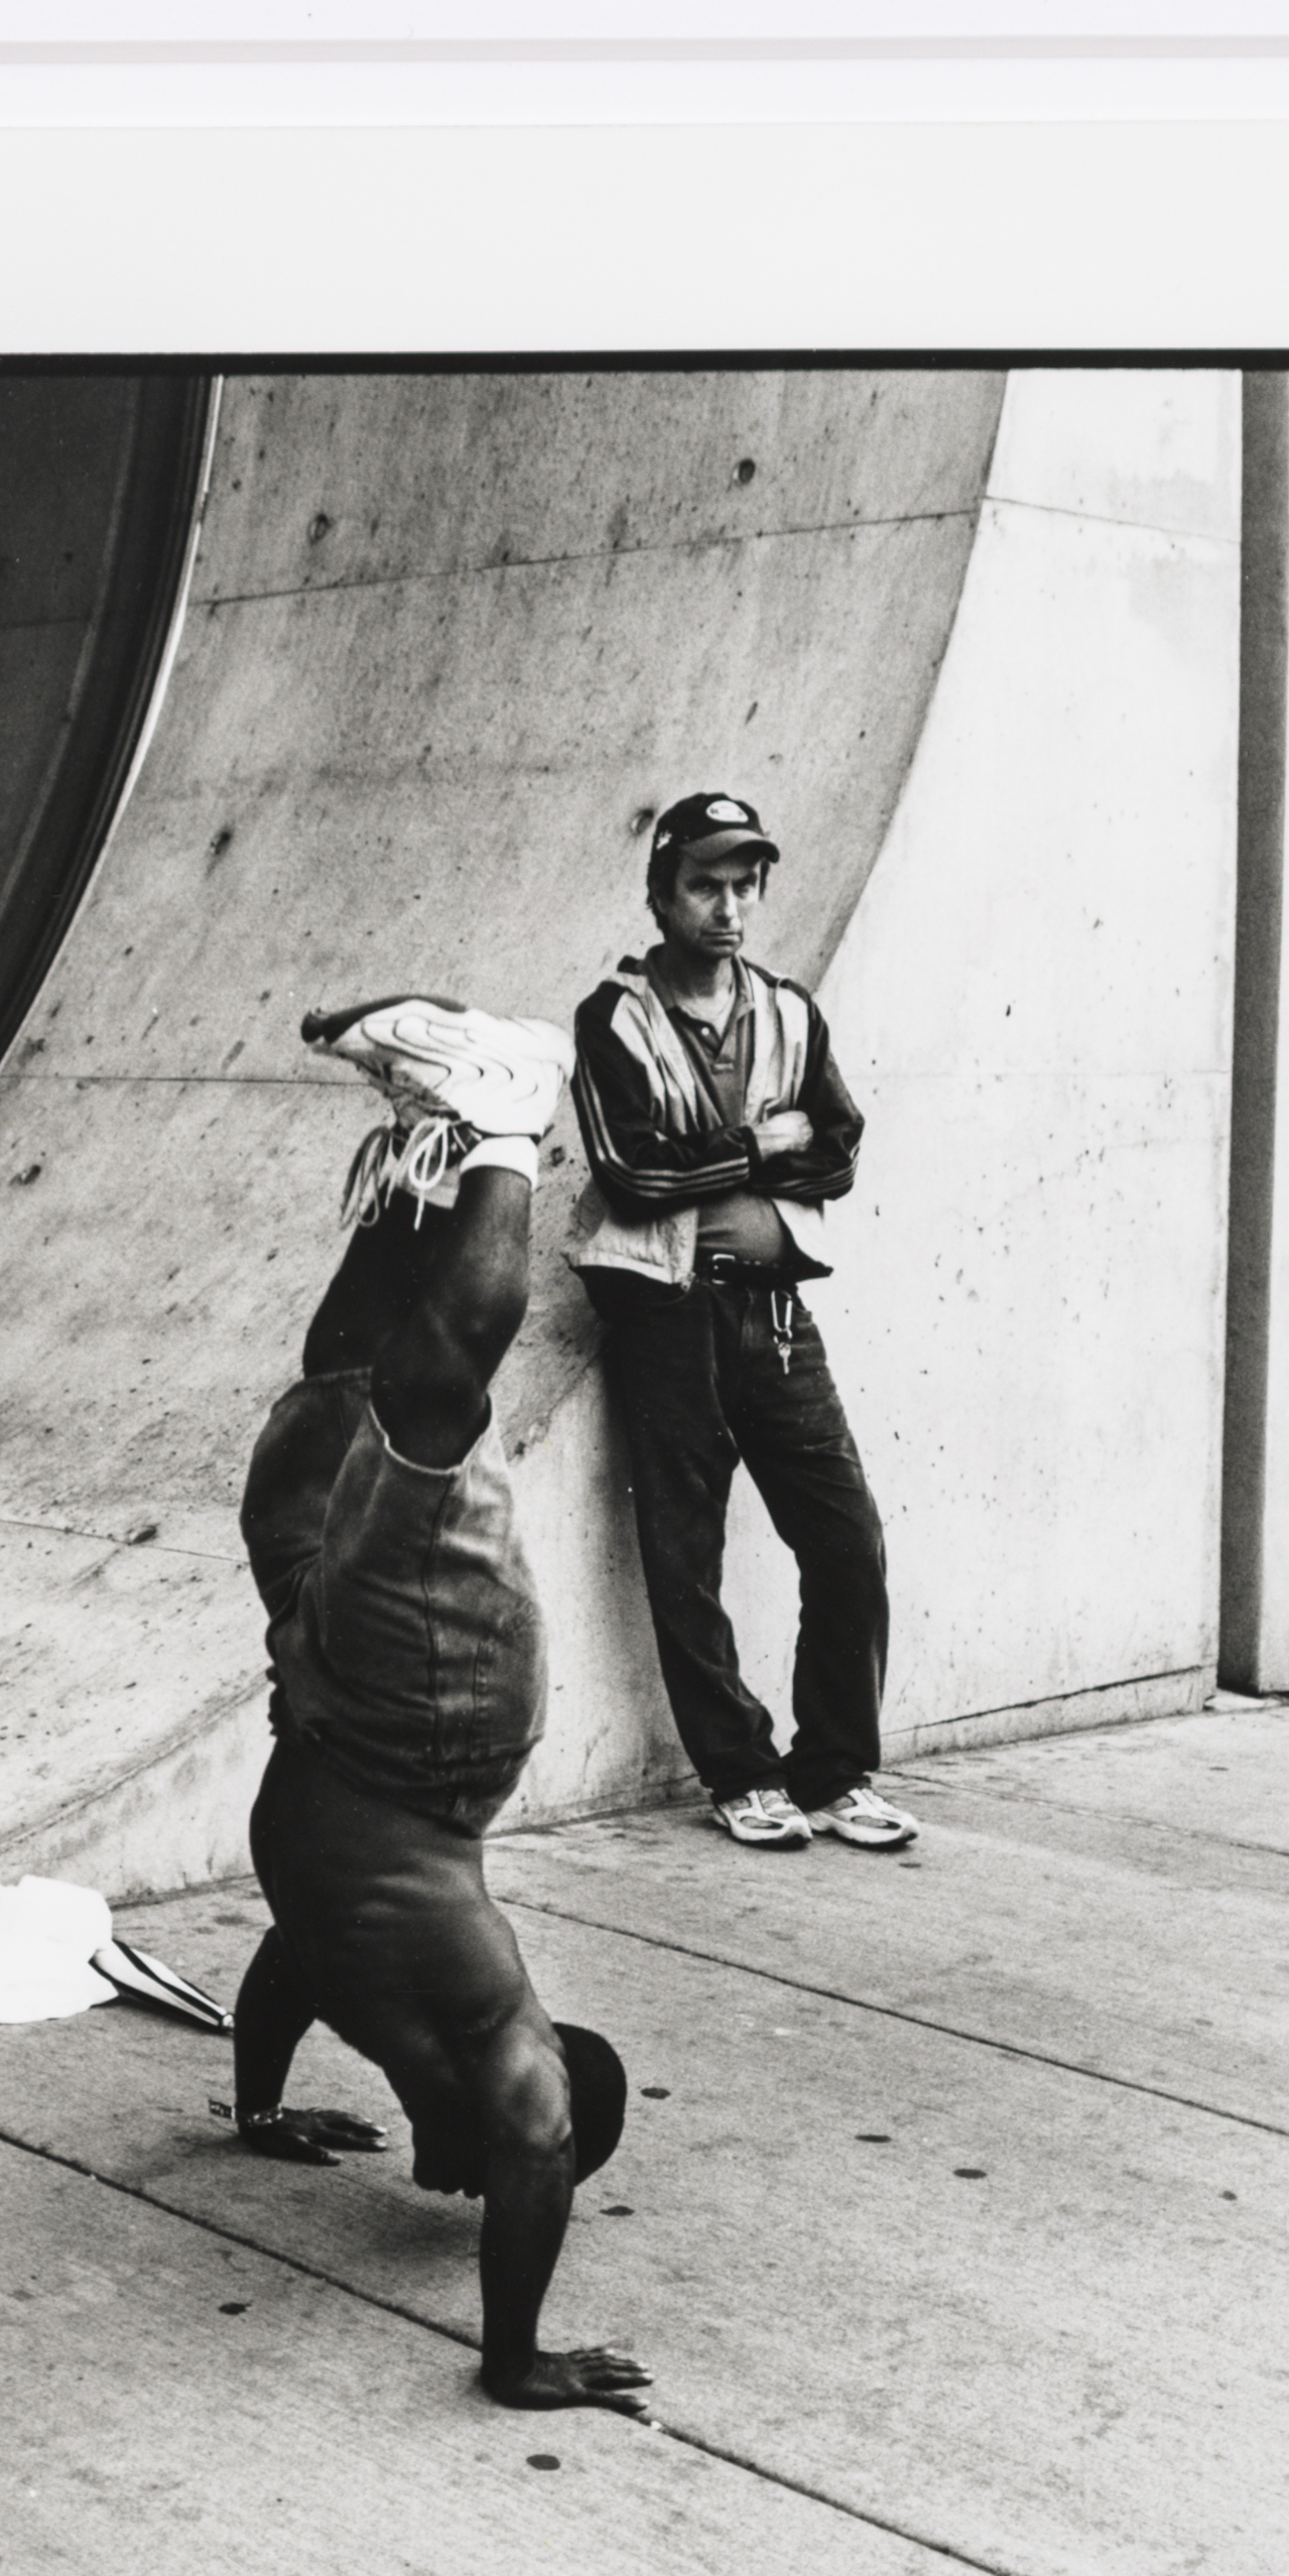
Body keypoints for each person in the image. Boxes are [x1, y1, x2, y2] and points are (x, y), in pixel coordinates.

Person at [224, 994, 649, 2421]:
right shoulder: (489, 2027)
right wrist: (516, 2356)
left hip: (325, 1680)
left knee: (323, 1416)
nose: (456, 2185)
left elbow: (293, 1963)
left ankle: (438, 1141)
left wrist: (258, 2108)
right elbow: (533, 2135)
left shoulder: (372, 1999)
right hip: (427, 1714)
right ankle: (512, 1119)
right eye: (475, 2178)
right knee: (425, 1401)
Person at [569, 791, 920, 1854]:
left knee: (847, 1539)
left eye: (744, 886)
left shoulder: (788, 1012)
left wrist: (723, 1158)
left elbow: (840, 1150)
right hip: (666, 1313)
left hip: (775, 1313)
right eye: (705, 886)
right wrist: (761, 1145)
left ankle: (835, 1772)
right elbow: (632, 1175)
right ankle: (741, 1774)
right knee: (686, 1555)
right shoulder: (614, 1018)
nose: (728, 908)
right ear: (660, 895)